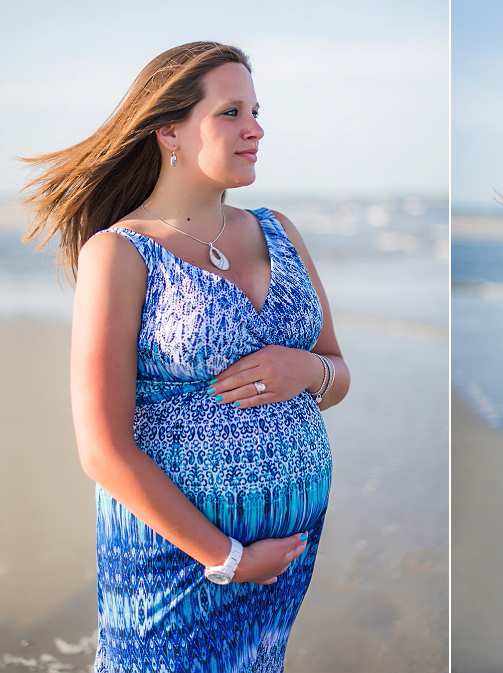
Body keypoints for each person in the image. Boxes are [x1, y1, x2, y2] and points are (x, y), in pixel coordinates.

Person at [21, 42, 349, 671]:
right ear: (168, 129)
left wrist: (309, 371)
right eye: (231, 112)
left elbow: (336, 371)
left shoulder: (277, 229)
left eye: (256, 110)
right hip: (178, 556)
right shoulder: (119, 253)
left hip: (280, 556)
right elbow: (102, 449)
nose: (255, 128)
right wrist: (225, 556)